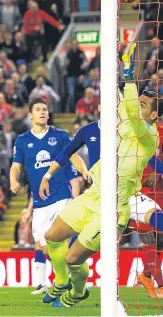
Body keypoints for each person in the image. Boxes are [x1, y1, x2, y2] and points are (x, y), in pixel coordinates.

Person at [41, 43, 161, 308]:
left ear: (153, 114)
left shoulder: (149, 137)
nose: (137, 107)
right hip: (94, 194)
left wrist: (129, 77)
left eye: (144, 105)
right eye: (138, 102)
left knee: (73, 259)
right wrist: (114, 66)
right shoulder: (123, 120)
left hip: (113, 208)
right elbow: (119, 101)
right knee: (52, 236)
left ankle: (79, 290)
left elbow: (129, 108)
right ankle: (61, 282)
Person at [9, 98, 88, 295]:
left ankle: (66, 280)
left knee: (59, 239)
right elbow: (16, 166)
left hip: (61, 196)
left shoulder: (60, 136)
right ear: (30, 115)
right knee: (43, 247)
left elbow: (74, 156)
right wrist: (13, 180)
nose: (42, 112)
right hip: (39, 202)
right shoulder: (22, 141)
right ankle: (49, 282)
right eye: (38, 109)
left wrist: (84, 171)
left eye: (45, 109)